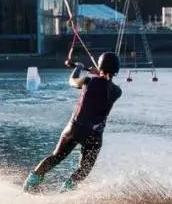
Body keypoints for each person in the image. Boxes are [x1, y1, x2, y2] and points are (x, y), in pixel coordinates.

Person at [23, 51, 123, 193]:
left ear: (100, 66)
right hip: (94, 135)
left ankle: (30, 185)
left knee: (55, 157)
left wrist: (78, 67)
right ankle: (65, 190)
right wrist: (98, 73)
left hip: (75, 128)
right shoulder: (117, 91)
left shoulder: (89, 80)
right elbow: (104, 84)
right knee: (84, 168)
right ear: (116, 70)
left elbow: (72, 81)